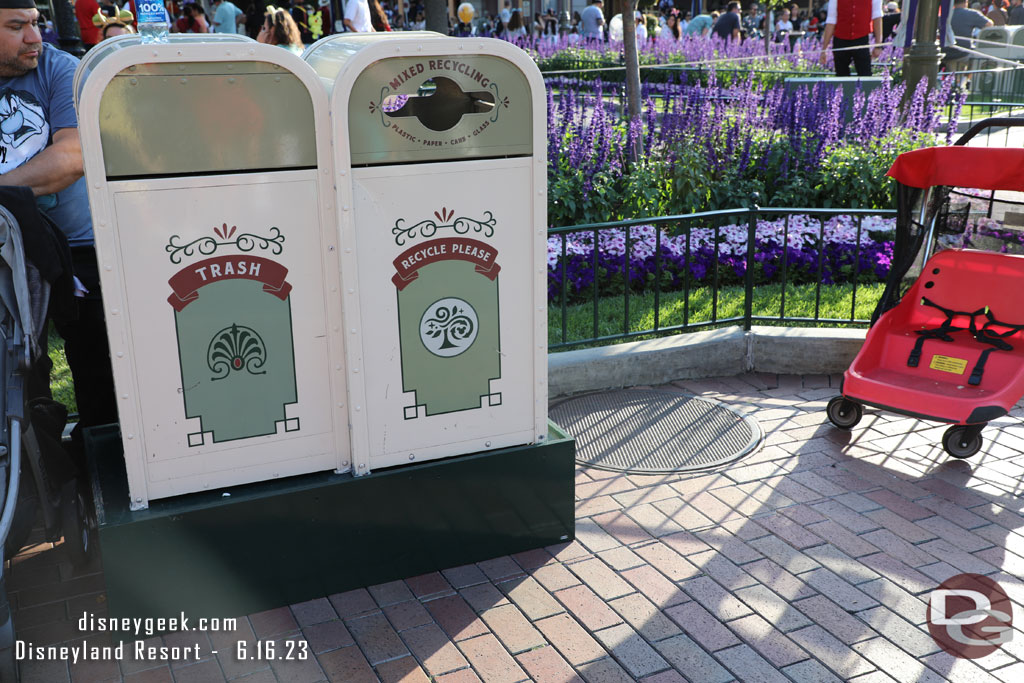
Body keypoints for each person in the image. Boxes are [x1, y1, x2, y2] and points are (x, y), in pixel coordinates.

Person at [0, 0, 116, 433]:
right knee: (17, 378)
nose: (35, 37)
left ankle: (101, 462)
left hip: (78, 247)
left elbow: (71, 157)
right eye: (17, 27)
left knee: (98, 363)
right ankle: (39, 472)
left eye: (35, 23)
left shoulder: (59, 68)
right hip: (3, 254)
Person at [819, 0, 884, 77]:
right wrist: (824, 50)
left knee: (865, 74)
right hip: (840, 40)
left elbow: (877, 18)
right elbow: (831, 22)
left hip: (862, 40)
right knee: (841, 76)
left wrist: (878, 45)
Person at [946, 0, 992, 65]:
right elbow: (989, 24)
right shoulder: (972, 14)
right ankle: (968, 75)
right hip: (963, 54)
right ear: (966, 2)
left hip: (945, 53)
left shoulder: (945, 15)